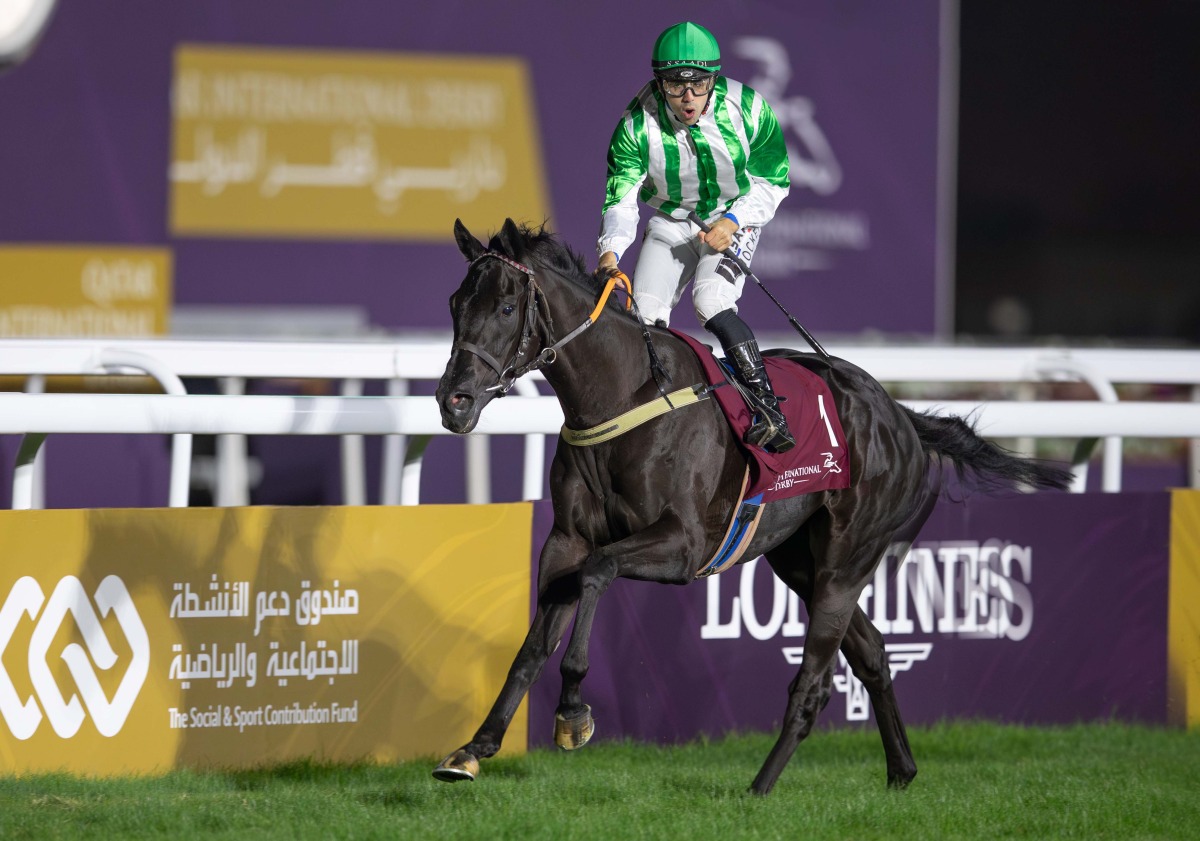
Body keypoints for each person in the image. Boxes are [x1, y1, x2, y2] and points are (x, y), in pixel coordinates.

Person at [597, 21, 794, 452]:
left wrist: (734, 220)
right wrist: (610, 253)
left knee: (711, 300)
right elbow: (621, 200)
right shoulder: (635, 126)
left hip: (732, 215)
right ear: (659, 83)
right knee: (642, 315)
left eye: (699, 84)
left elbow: (774, 181)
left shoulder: (749, 109)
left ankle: (769, 411)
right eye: (675, 85)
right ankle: (648, 421)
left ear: (714, 79)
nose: (688, 97)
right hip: (673, 218)